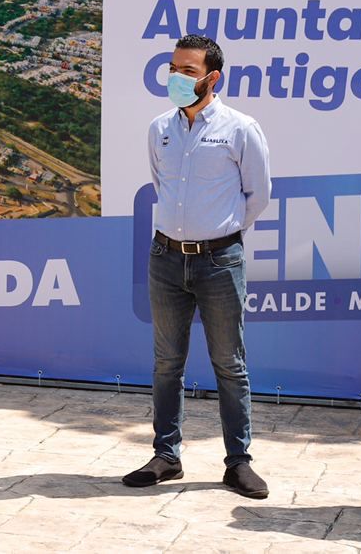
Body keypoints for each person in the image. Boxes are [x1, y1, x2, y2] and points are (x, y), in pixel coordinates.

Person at [123, 34, 271, 498]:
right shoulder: (159, 129)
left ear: (213, 78)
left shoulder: (240, 128)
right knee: (167, 363)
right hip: (165, 258)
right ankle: (166, 455)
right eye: (173, 69)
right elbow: (160, 185)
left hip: (219, 261)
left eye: (188, 71)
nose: (177, 78)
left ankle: (239, 462)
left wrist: (219, 234)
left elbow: (258, 195)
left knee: (229, 363)